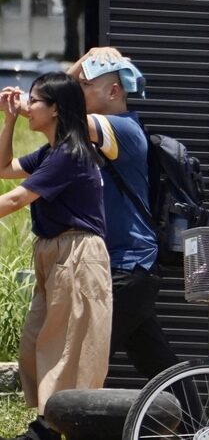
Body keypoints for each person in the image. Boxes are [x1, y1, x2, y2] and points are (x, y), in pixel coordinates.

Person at [0, 73, 112, 440]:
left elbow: (16, 199)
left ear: (56, 109)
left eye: (34, 101)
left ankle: (51, 428)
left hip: (77, 254)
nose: (27, 105)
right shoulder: (52, 151)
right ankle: (54, 423)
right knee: (38, 340)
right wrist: (10, 119)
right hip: (55, 254)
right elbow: (3, 170)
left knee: (66, 346)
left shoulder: (70, 153)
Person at [65, 48, 180, 381]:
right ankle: (200, 427)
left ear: (113, 92)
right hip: (130, 269)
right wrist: (88, 59)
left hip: (127, 270)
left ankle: (43, 433)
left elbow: (54, 105)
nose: (77, 91)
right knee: (158, 364)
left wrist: (82, 61)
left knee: (79, 359)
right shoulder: (113, 128)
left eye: (85, 85)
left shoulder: (117, 128)